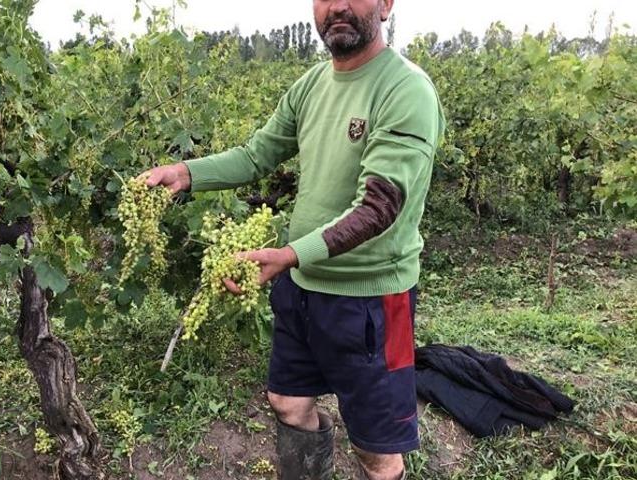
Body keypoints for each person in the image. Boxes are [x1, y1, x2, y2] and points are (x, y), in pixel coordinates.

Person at [143, 0, 445, 478]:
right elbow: (256, 155)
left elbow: (379, 207)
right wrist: (185, 173)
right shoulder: (310, 86)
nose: (337, 5)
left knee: (375, 447)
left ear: (387, 4)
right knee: (288, 402)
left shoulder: (406, 90)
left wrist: (289, 254)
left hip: (372, 301)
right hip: (302, 287)